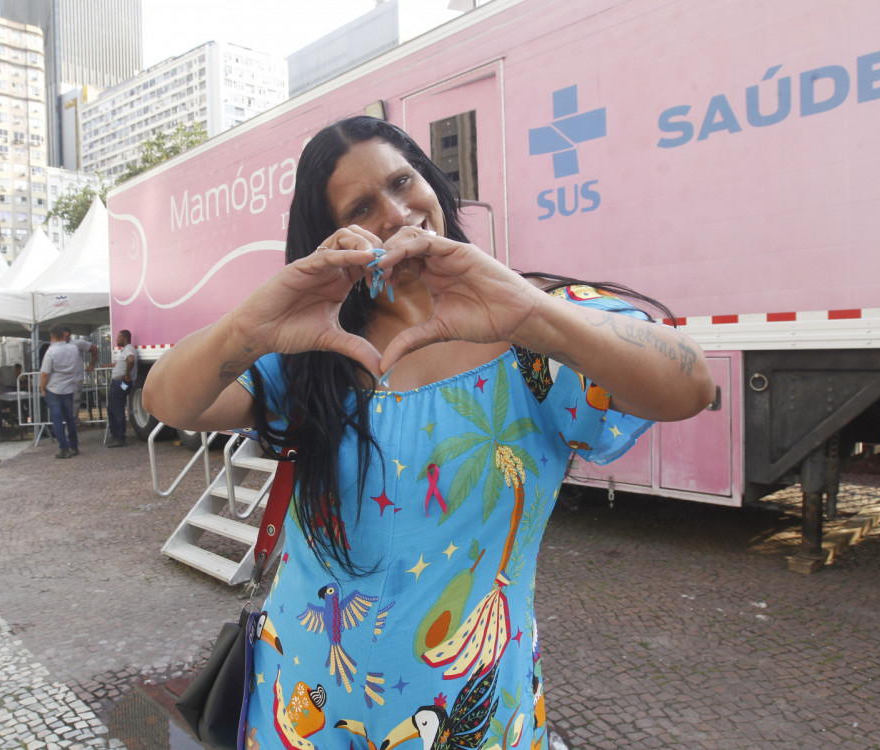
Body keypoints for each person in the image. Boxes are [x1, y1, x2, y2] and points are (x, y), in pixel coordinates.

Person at [142, 117, 716, 750]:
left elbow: (689, 383)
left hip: (469, 713)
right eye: (361, 207)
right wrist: (251, 326)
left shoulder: (533, 330)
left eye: (402, 181)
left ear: (433, 184)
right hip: (304, 700)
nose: (394, 212)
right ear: (332, 236)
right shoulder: (315, 349)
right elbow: (167, 399)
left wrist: (531, 314)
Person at [38, 324, 97, 458]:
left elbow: (45, 373)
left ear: (52, 336)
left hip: (54, 388)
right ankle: (74, 446)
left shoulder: (51, 351)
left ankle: (64, 448)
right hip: (69, 387)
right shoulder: (73, 349)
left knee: (57, 419)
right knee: (70, 418)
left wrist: (42, 387)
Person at [107, 329, 138, 448]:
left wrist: (127, 374)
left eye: (119, 337)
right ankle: (116, 435)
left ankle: (119, 437)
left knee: (116, 409)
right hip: (120, 382)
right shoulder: (126, 350)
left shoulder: (128, 349)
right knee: (113, 408)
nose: (117, 339)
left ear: (125, 338)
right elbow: (124, 362)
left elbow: (130, 359)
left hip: (120, 383)